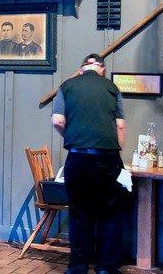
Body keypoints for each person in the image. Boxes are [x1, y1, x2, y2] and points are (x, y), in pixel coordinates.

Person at [52, 53, 127, 274]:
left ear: (83, 67)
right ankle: (106, 267)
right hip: (107, 157)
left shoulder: (66, 86)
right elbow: (120, 125)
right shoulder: (112, 88)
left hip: (77, 156)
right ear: (101, 68)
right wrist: (116, 150)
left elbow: (57, 120)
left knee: (79, 213)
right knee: (110, 213)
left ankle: (78, 267)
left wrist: (72, 137)